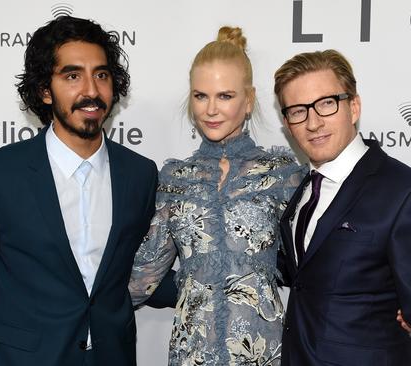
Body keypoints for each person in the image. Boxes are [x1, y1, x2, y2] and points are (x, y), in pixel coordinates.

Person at [0, 16, 174, 366]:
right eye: (72, 76)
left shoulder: (140, 173)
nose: (91, 90)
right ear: (45, 90)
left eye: (101, 75)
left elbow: (141, 273)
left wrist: (222, 282)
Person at [274, 49, 411, 365]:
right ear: (287, 123)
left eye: (326, 103)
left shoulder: (409, 194)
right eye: (298, 110)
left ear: (354, 107)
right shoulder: (303, 190)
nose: (313, 122)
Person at [129, 27, 303, 366]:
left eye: (225, 96)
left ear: (249, 99)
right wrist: (79, 300)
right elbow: (144, 274)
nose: (210, 109)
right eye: (200, 96)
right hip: (192, 351)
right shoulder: (176, 179)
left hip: (263, 351)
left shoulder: (280, 173)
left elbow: (314, 266)